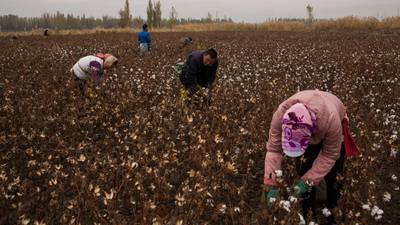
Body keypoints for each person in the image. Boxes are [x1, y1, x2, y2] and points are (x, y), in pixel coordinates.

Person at [263, 90, 360, 225]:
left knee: (334, 176)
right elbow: (274, 150)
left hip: (331, 122)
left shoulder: (331, 120)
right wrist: (271, 182)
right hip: (314, 124)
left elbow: (330, 155)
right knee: (305, 166)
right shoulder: (280, 116)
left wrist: (307, 182)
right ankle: (309, 216)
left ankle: (333, 212)